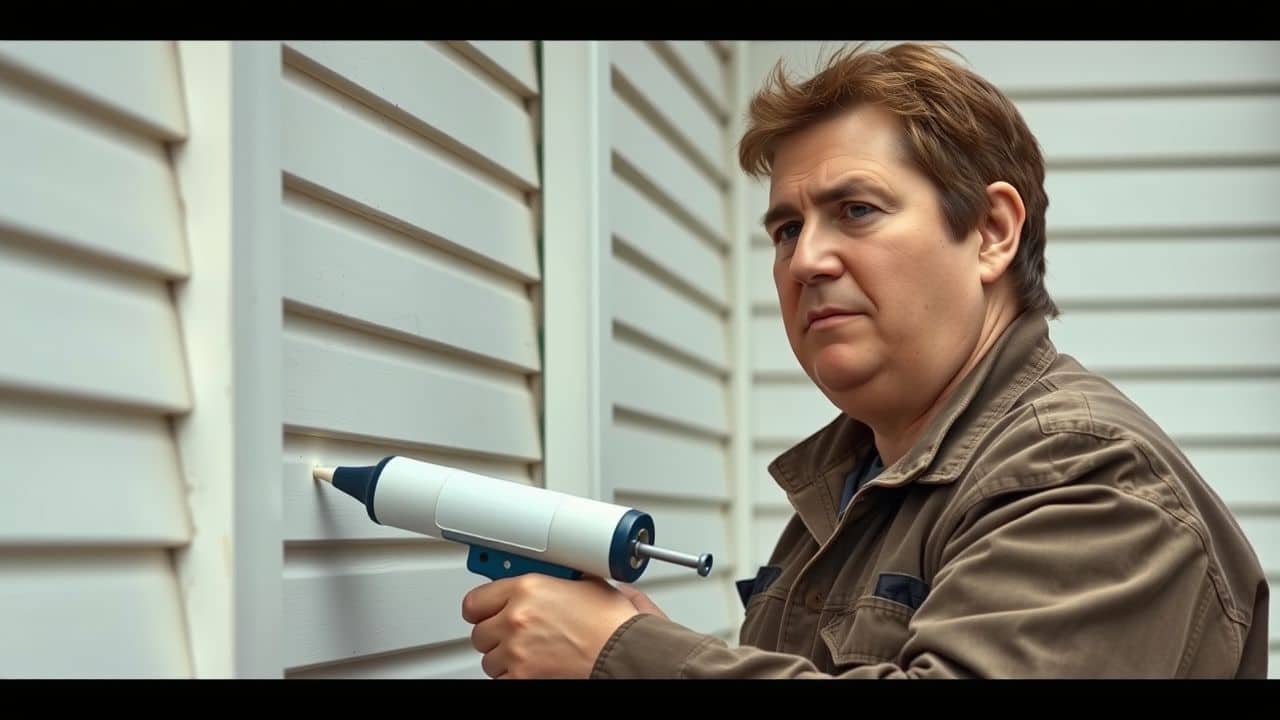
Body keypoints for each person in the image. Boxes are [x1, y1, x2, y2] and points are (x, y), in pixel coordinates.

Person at [461, 41, 1270, 679]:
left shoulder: (1084, 474)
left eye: (856, 210)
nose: (806, 259)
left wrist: (625, 655)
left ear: (991, 231)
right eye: (785, 229)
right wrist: (638, 644)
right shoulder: (856, 480)